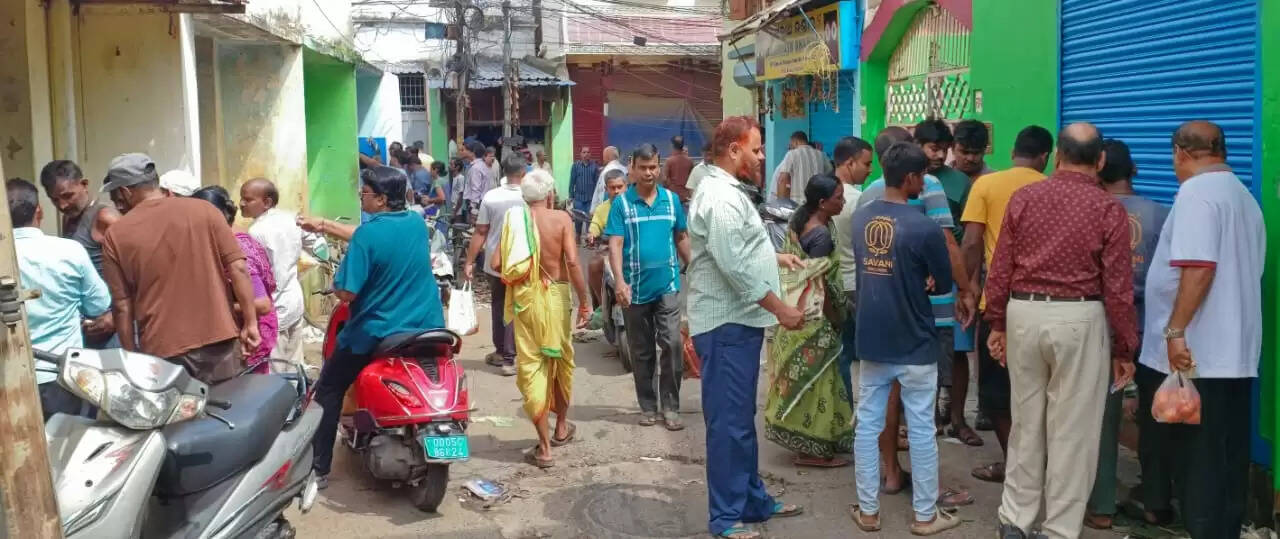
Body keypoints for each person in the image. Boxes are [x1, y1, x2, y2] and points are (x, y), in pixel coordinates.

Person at [984, 123, 1138, 539]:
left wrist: (997, 321)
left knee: (1027, 421)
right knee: (1073, 431)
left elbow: (1001, 267)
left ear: (1056, 156)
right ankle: (1059, 529)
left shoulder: (1024, 198)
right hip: (1079, 319)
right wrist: (1125, 347)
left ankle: (1015, 519)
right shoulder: (1109, 209)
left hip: (1024, 314)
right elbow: (1119, 287)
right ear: (1100, 160)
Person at [1136, 121, 1264, 538]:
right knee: (1226, 457)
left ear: (1180, 152)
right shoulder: (1244, 197)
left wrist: (1174, 333)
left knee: (1199, 463)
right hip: (1235, 354)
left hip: (1199, 354)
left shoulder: (1196, 194)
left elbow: (1199, 267)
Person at [687, 116, 805, 539]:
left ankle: (752, 500)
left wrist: (776, 259)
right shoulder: (720, 197)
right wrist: (781, 310)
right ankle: (725, 517)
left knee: (741, 419)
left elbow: (737, 250)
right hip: (725, 325)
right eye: (755, 149)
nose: (760, 157)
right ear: (733, 150)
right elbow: (734, 266)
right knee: (728, 425)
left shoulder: (730, 193)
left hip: (738, 324)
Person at [305, 166, 445, 488]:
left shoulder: (369, 235)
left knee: (328, 388)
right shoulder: (415, 223)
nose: (361, 197)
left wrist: (340, 278)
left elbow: (347, 292)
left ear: (381, 199)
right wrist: (325, 225)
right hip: (426, 325)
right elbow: (374, 236)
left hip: (378, 330)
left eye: (364, 193)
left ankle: (319, 469)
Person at [848, 142, 962, 536]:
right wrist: (927, 280)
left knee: (867, 425)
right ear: (913, 179)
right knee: (920, 429)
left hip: (873, 340)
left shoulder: (860, 219)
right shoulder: (925, 227)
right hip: (915, 342)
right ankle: (926, 516)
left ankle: (868, 512)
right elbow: (943, 282)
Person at [100, 153, 260, 383]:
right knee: (229, 415)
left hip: (163, 351)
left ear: (125, 192)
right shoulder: (204, 210)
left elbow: (122, 305)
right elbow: (238, 268)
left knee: (178, 417)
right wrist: (251, 323)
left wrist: (130, 354)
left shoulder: (115, 235)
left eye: (115, 196)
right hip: (220, 341)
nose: (116, 203)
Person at [958, 125, 1053, 479]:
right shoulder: (1050, 187)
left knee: (998, 392)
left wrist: (967, 290)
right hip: (1047, 304)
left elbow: (970, 244)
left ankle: (1017, 465)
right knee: (1042, 390)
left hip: (999, 307)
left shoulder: (986, 185)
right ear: (1045, 157)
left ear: (1013, 151)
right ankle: (1040, 464)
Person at [1084, 138, 1168, 530]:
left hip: (1104, 324)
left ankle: (1101, 505)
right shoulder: (1162, 214)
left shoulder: (1091, 211)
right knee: (1159, 411)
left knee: (1103, 413)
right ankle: (1156, 498)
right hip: (1154, 327)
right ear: (1134, 171)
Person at [491, 169, 591, 467]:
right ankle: (561, 426)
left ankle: (544, 448)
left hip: (525, 302)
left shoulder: (515, 220)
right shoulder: (561, 219)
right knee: (560, 362)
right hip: (557, 298)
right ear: (550, 195)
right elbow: (572, 261)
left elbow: (496, 263)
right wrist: (585, 301)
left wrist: (525, 271)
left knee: (533, 367)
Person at [764, 173, 854, 467]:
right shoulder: (821, 237)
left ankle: (810, 442)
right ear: (822, 202)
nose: (842, 202)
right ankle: (813, 451)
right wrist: (835, 317)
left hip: (794, 315)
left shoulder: (799, 221)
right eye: (838, 198)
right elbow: (820, 286)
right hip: (812, 319)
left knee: (804, 379)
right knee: (820, 382)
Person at [605, 144, 692, 430]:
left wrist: (693, 263)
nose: (648, 173)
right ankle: (648, 405)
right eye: (642, 168)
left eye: (653, 167)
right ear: (632, 168)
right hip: (634, 289)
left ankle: (670, 406)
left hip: (667, 285)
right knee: (641, 351)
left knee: (673, 344)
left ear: (660, 166)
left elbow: (680, 236)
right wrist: (619, 281)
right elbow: (615, 244)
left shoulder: (671, 200)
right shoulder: (622, 204)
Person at [9, 178, 111, 420]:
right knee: (68, 448)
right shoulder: (69, 251)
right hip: (62, 375)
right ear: (39, 211)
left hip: (11, 378)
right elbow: (99, 305)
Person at [929, 119, 987, 437]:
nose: (939, 155)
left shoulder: (961, 184)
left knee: (960, 349)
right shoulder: (908, 181)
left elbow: (970, 240)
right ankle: (930, 416)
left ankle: (958, 419)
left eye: (943, 148)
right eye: (932, 148)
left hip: (956, 276)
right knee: (926, 349)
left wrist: (970, 283)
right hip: (922, 280)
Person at [240, 178, 327, 371]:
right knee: (294, 364)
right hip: (294, 301)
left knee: (275, 370)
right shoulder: (292, 218)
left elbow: (257, 275)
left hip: (274, 307)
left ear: (267, 202)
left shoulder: (256, 232)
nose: (241, 204)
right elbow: (321, 249)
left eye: (247, 199)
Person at [191, 186, 278, 374]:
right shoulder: (235, 237)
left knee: (247, 393)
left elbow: (262, 304)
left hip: (252, 334)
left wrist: (214, 308)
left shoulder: (236, 249)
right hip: (250, 331)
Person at [38, 159, 120, 347]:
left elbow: (139, 271)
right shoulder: (70, 219)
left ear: (84, 185)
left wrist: (115, 315)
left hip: (113, 328)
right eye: (55, 199)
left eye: (68, 196)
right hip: (89, 327)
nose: (63, 205)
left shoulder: (105, 218)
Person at [465, 153, 530, 376]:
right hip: (525, 262)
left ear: (503, 172)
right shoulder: (531, 195)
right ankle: (514, 356)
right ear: (524, 173)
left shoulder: (491, 197)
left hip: (496, 263)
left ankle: (503, 352)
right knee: (521, 307)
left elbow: (480, 231)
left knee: (500, 305)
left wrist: (469, 262)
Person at [829, 137, 873, 404]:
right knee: (869, 356)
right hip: (855, 283)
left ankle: (840, 414)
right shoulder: (859, 199)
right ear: (849, 162)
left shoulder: (818, 194)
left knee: (840, 354)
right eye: (866, 164)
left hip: (831, 284)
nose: (869, 170)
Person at [587, 170, 626, 308]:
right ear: (606, 189)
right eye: (612, 187)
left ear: (626, 186)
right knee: (593, 265)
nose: (616, 191)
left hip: (630, 250)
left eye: (619, 187)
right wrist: (591, 234)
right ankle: (601, 306)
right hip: (608, 250)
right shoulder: (602, 209)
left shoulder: (633, 205)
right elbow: (595, 224)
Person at [773, 131, 832, 203]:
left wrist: (780, 203)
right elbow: (830, 171)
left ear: (795, 142)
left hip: (797, 202)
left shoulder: (792, 154)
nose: (791, 147)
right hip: (816, 202)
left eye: (791, 144)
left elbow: (782, 179)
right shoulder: (821, 155)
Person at [569, 146, 600, 235]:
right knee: (578, 221)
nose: (586, 154)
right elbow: (572, 182)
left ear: (590, 154)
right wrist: (571, 196)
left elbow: (597, 184)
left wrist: (597, 198)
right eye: (584, 152)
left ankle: (589, 240)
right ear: (580, 154)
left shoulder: (594, 166)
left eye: (588, 152)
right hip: (578, 199)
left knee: (589, 220)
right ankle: (578, 238)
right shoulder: (575, 166)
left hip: (590, 199)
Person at [461, 141, 494, 222]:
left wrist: (473, 209)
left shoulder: (475, 168)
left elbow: (476, 189)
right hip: (482, 203)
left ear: (472, 152)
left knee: (473, 229)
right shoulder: (482, 165)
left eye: (464, 150)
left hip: (476, 205)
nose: (462, 152)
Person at [589, 146, 627, 214]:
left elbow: (601, 194)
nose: (603, 159)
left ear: (607, 157)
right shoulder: (625, 169)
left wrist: (595, 211)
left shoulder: (606, 171)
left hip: (609, 211)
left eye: (604, 157)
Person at [662, 135, 695, 204]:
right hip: (686, 197)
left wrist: (670, 187)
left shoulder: (669, 161)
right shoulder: (690, 161)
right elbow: (692, 179)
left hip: (672, 196)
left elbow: (664, 179)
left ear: (672, 145)